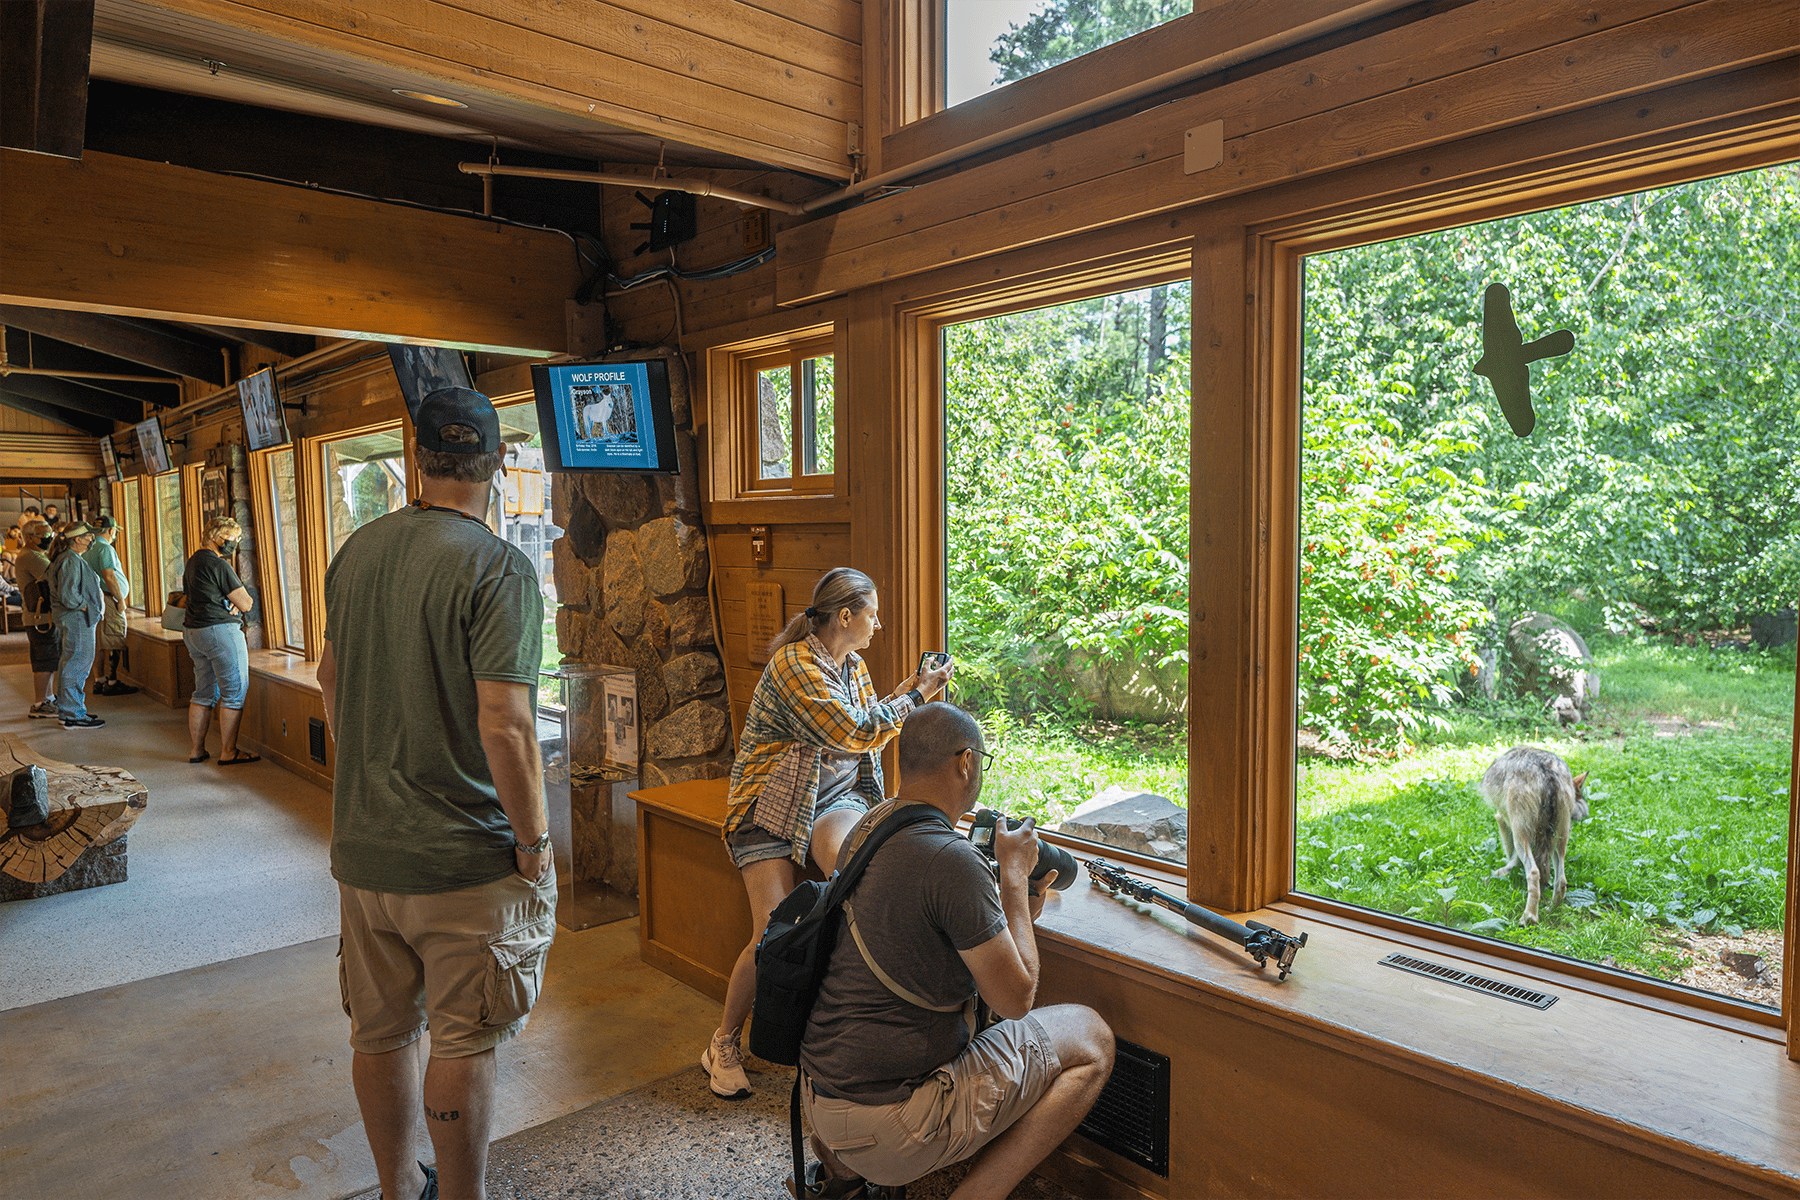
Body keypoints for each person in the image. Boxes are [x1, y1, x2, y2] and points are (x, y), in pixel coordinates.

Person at [318, 386, 553, 1200]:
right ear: (499, 461)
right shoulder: (498, 567)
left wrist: (371, 776)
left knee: (380, 1030)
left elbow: (330, 679)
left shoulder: (357, 552)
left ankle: (397, 1189)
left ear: (418, 459)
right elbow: (507, 726)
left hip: (364, 852)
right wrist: (534, 842)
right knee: (463, 1039)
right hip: (464, 859)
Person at [797, 703, 1114, 1200]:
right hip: (890, 1124)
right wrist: (1013, 880)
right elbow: (1016, 1000)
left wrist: (1014, 911)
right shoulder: (952, 859)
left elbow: (919, 939)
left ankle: (844, 1180)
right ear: (966, 762)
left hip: (820, 1099)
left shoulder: (868, 827)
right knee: (1092, 1038)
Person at [703, 567, 954, 1101]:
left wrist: (912, 690)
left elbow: (867, 723)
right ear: (844, 616)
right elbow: (853, 731)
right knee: (771, 934)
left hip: (832, 800)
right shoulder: (793, 664)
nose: (878, 625)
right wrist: (916, 697)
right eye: (872, 614)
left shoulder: (852, 664)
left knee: (859, 884)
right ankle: (723, 1042)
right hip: (768, 806)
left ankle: (837, 1036)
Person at [182, 517, 258, 764]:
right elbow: (246, 603)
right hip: (220, 632)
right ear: (216, 537)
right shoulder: (219, 565)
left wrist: (231, 603)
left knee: (203, 692)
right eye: (231, 537)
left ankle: (196, 750)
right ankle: (229, 751)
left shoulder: (193, 561)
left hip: (194, 632)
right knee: (234, 693)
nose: (234, 542)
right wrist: (238, 604)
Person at [46, 522, 105, 729]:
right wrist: (86, 607)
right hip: (77, 620)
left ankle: (70, 711)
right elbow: (68, 595)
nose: (92, 539)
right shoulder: (70, 560)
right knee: (78, 663)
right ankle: (73, 714)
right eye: (89, 536)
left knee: (72, 662)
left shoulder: (68, 558)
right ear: (77, 539)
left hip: (74, 619)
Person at [83, 516, 138, 696]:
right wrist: (120, 599)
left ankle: (99, 680)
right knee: (116, 637)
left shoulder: (88, 547)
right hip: (109, 598)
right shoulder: (105, 548)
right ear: (111, 530)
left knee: (98, 641)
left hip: (94, 599)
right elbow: (109, 575)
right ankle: (112, 682)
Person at [14, 518, 61, 719]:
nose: (49, 538)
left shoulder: (34, 554)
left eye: (51, 534)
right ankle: (40, 703)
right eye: (45, 535)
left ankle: (48, 698)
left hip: (41, 617)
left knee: (48, 660)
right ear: (31, 537)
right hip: (40, 619)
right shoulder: (32, 557)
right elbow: (56, 575)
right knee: (44, 660)